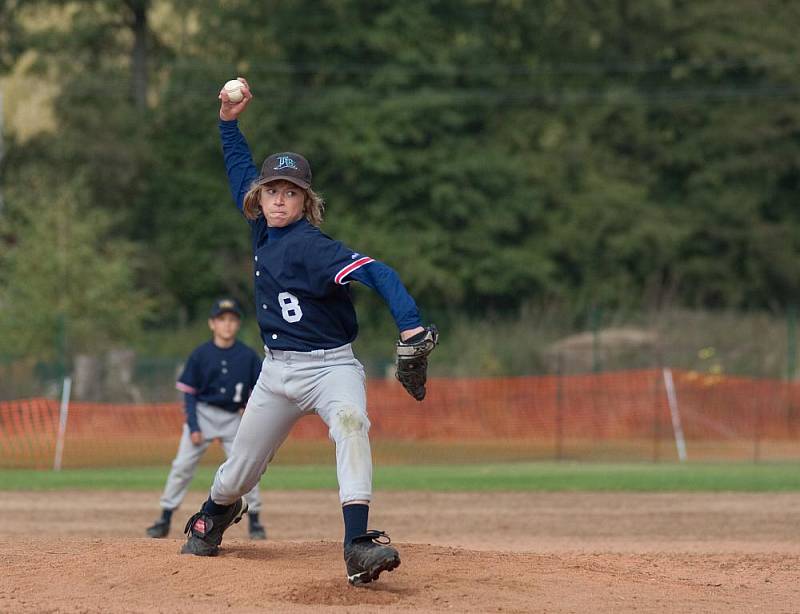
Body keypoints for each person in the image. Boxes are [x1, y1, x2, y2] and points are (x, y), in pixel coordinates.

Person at [179, 77, 438, 586]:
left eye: (289, 192)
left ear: (304, 201)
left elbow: (380, 273)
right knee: (241, 469)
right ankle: (213, 515)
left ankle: (358, 544)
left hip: (331, 366)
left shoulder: (315, 248)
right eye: (272, 190)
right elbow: (237, 171)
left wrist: (410, 325)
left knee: (351, 425)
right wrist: (228, 122)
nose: (278, 200)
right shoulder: (260, 230)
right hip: (277, 372)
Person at [146, 297, 267, 541]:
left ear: (238, 324)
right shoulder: (201, 354)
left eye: (232, 320)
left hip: (234, 418)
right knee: (182, 466)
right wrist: (193, 425)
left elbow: (262, 389)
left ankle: (254, 521)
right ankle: (165, 517)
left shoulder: (247, 356)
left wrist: (249, 412)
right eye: (222, 320)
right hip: (202, 415)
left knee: (245, 466)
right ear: (212, 324)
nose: (227, 325)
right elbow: (189, 394)